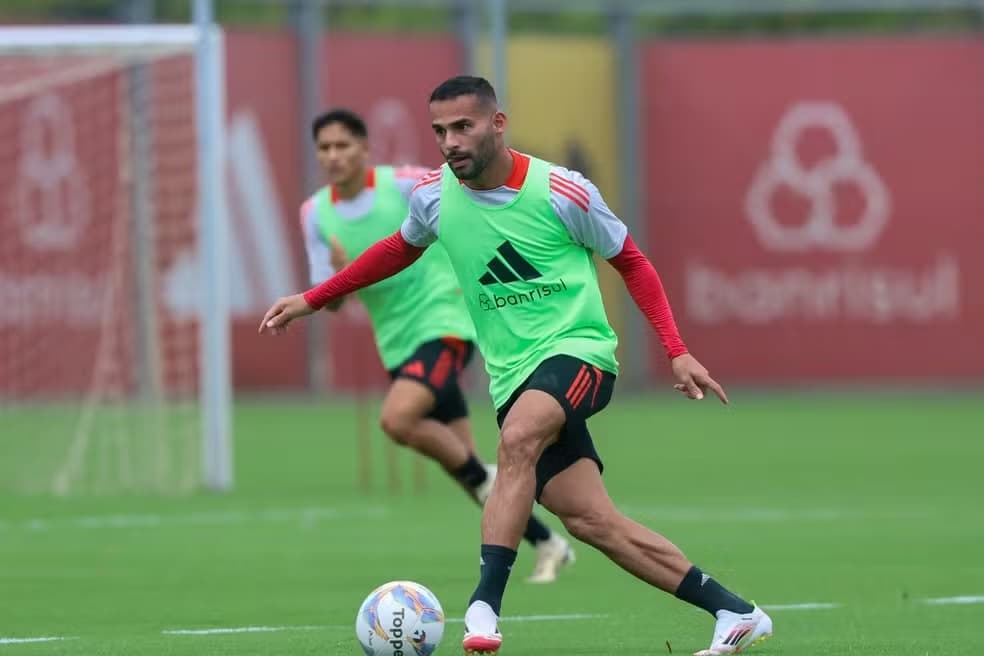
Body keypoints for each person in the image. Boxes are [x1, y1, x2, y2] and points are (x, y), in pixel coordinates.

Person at [264, 82, 773, 655]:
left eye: (463, 127)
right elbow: (398, 249)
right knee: (591, 520)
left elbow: (632, 262)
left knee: (518, 437)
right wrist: (314, 298)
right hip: (512, 377)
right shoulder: (432, 197)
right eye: (440, 131)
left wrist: (676, 349)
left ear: (497, 123)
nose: (450, 142)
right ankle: (736, 613)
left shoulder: (562, 191)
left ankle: (484, 608)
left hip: (580, 352)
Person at [298, 108, 574, 584]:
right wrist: (338, 276)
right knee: (466, 471)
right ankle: (548, 542)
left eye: (343, 145)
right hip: (397, 342)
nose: (333, 155)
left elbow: (468, 201)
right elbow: (333, 303)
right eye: (324, 148)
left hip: (445, 319)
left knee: (397, 419)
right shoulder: (314, 213)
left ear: (365, 148)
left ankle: (499, 484)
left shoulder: (405, 184)